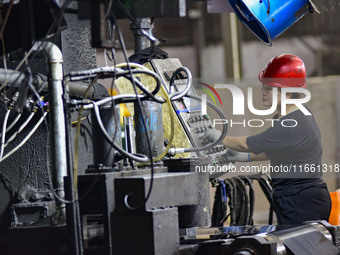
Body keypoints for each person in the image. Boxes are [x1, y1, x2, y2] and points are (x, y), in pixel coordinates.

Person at [204, 53, 331, 225]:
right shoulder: (295, 114)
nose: (263, 92)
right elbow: (278, 151)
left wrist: (216, 136)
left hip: (301, 201)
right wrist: (244, 158)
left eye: (269, 88)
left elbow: (245, 143)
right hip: (299, 197)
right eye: (264, 86)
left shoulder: (291, 124)